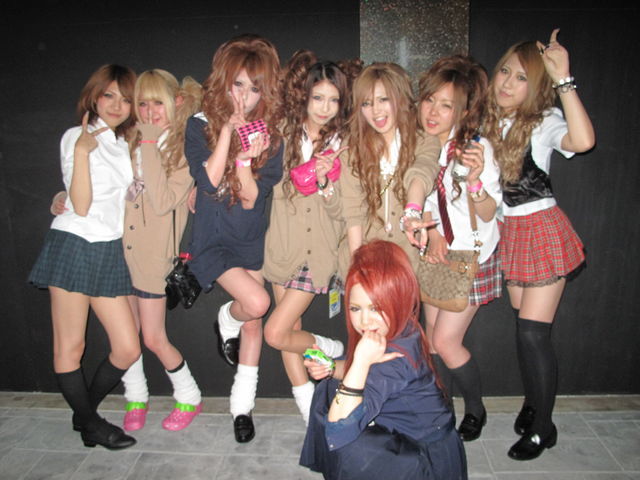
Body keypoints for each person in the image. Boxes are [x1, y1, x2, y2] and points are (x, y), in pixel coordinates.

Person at [483, 29, 595, 460]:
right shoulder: (490, 123)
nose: (508, 83)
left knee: (533, 333)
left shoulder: (544, 120)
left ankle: (543, 428)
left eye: (522, 78)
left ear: (537, 86)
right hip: (511, 232)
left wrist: (563, 79)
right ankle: (534, 403)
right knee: (523, 329)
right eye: (505, 72)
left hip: (542, 230)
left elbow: (583, 141)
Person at [28, 65, 140, 450]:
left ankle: (85, 416)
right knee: (71, 347)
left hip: (108, 247)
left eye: (126, 99)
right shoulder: (76, 136)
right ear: (94, 96)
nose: (117, 105)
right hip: (75, 243)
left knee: (128, 347)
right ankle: (92, 424)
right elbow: (80, 203)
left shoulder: (122, 144)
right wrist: (80, 151)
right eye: (109, 95)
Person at [184, 34, 283, 443]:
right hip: (212, 237)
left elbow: (250, 199)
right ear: (223, 82)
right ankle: (226, 318)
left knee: (254, 324)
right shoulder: (199, 125)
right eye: (237, 84)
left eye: (254, 87)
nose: (244, 95)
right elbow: (207, 182)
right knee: (256, 304)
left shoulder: (271, 136)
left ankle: (242, 407)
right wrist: (227, 131)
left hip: (248, 234)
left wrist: (245, 159)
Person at [300, 240, 467, 480]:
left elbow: (339, 428)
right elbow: (355, 371)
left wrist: (360, 362)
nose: (364, 321)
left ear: (399, 299)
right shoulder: (398, 325)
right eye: (355, 308)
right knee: (329, 387)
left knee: (353, 447)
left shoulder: (395, 357)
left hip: (425, 455)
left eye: (376, 308)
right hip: (407, 434)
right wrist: (331, 367)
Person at [262, 50, 358, 424]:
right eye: (318, 97)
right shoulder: (282, 133)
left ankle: (327, 348)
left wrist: (324, 182)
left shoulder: (345, 144)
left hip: (316, 251)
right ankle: (308, 408)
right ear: (305, 96)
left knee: (275, 333)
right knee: (291, 331)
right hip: (281, 246)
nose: (325, 108)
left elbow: (342, 213)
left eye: (333, 100)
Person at [418, 55, 502, 442]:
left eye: (446, 105)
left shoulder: (474, 149)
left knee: (445, 341)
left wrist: (475, 181)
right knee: (430, 340)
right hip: (436, 252)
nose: (433, 112)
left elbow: (488, 211)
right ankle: (441, 410)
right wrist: (432, 231)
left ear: (464, 111)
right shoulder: (420, 146)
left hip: (469, 256)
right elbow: (422, 200)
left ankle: (475, 408)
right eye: (429, 100)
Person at [119, 69, 203, 432]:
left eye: (158, 102)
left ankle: (190, 396)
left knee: (153, 337)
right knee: (125, 335)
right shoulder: (128, 140)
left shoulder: (183, 148)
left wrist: (151, 144)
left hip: (154, 258)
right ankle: (136, 396)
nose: (150, 112)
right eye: (143, 104)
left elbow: (164, 200)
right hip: (118, 250)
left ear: (176, 102)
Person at [326, 62, 441, 277]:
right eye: (366, 103)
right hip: (362, 257)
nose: (375, 110)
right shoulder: (352, 147)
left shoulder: (425, 141)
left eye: (383, 99)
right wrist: (357, 269)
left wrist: (412, 212)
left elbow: (421, 173)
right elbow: (353, 211)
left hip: (403, 265)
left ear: (400, 97)